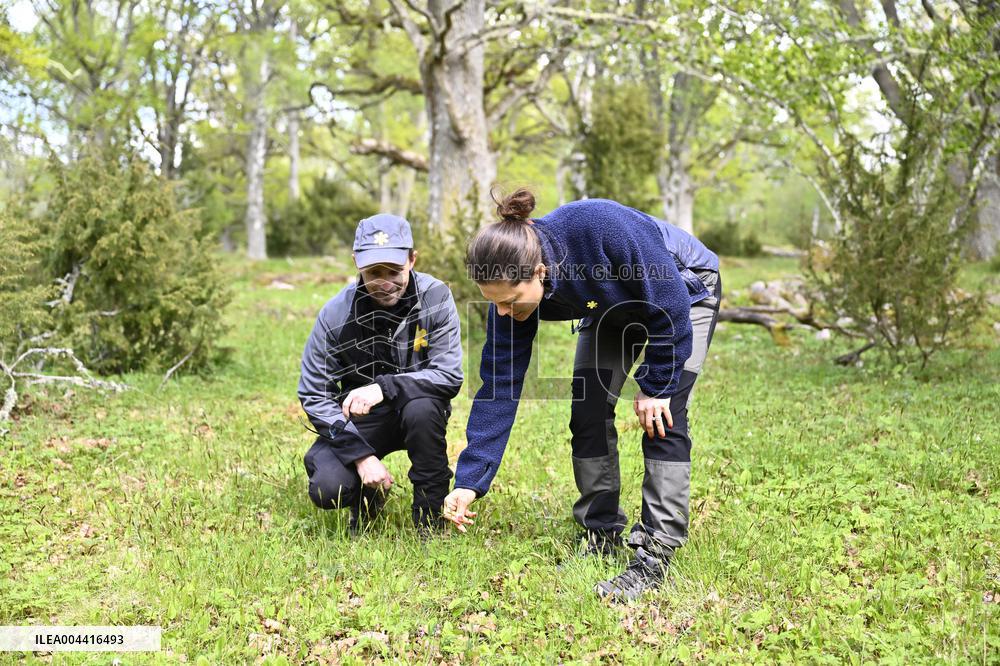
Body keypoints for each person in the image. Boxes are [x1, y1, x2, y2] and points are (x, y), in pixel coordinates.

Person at [443, 190, 721, 601]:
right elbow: (500, 387)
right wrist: (470, 481)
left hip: (684, 287)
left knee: (663, 417)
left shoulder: (598, 227)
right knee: (588, 410)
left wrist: (656, 386)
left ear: (539, 271)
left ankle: (656, 555)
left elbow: (669, 304)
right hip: (610, 302)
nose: (503, 312)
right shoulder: (509, 293)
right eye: (494, 304)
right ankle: (601, 531)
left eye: (510, 302)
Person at [299, 213, 463, 534]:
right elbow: (314, 393)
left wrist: (384, 388)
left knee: (423, 408)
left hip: (418, 409)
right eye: (374, 272)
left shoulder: (436, 297)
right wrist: (360, 456)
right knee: (327, 488)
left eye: (395, 271)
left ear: (412, 260)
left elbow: (448, 375)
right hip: (360, 418)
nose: (385, 282)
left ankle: (430, 521)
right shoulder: (335, 313)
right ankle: (369, 501)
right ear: (357, 263)